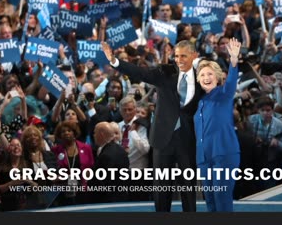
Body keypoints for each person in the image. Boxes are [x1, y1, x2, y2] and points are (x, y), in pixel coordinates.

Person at [102, 40, 202, 212]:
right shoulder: (165, 73)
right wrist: (115, 61)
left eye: (183, 56)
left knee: (188, 188)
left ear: (194, 56)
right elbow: (140, 72)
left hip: (188, 140)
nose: (179, 59)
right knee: (162, 190)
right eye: (176, 56)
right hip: (163, 139)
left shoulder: (203, 77)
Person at [193, 38, 241, 212]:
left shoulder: (224, 95)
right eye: (203, 75)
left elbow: (231, 82)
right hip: (204, 159)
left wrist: (233, 61)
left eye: (210, 74)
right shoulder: (199, 102)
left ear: (217, 76)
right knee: (211, 201)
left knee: (222, 198)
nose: (206, 77)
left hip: (224, 154)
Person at [88, 122, 129, 203]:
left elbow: (101, 184)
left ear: (102, 134)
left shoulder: (106, 155)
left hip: (108, 201)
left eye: (95, 132)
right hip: (121, 197)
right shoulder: (121, 150)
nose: (94, 135)